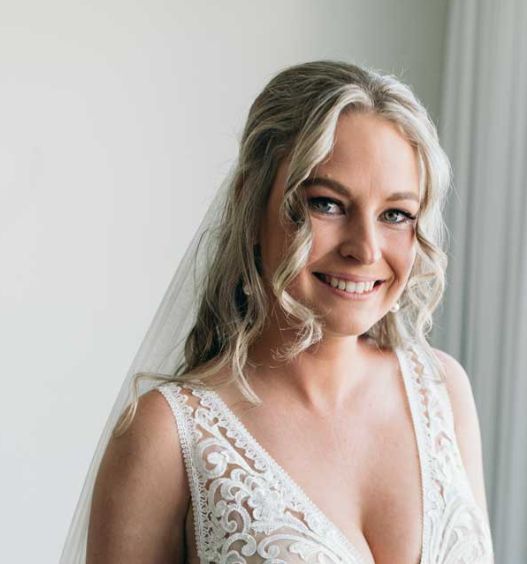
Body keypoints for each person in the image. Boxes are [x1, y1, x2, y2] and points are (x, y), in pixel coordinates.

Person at [60, 60, 495, 563]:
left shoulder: (443, 391)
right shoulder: (167, 435)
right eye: (328, 204)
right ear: (251, 201)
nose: (366, 248)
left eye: (395, 214)